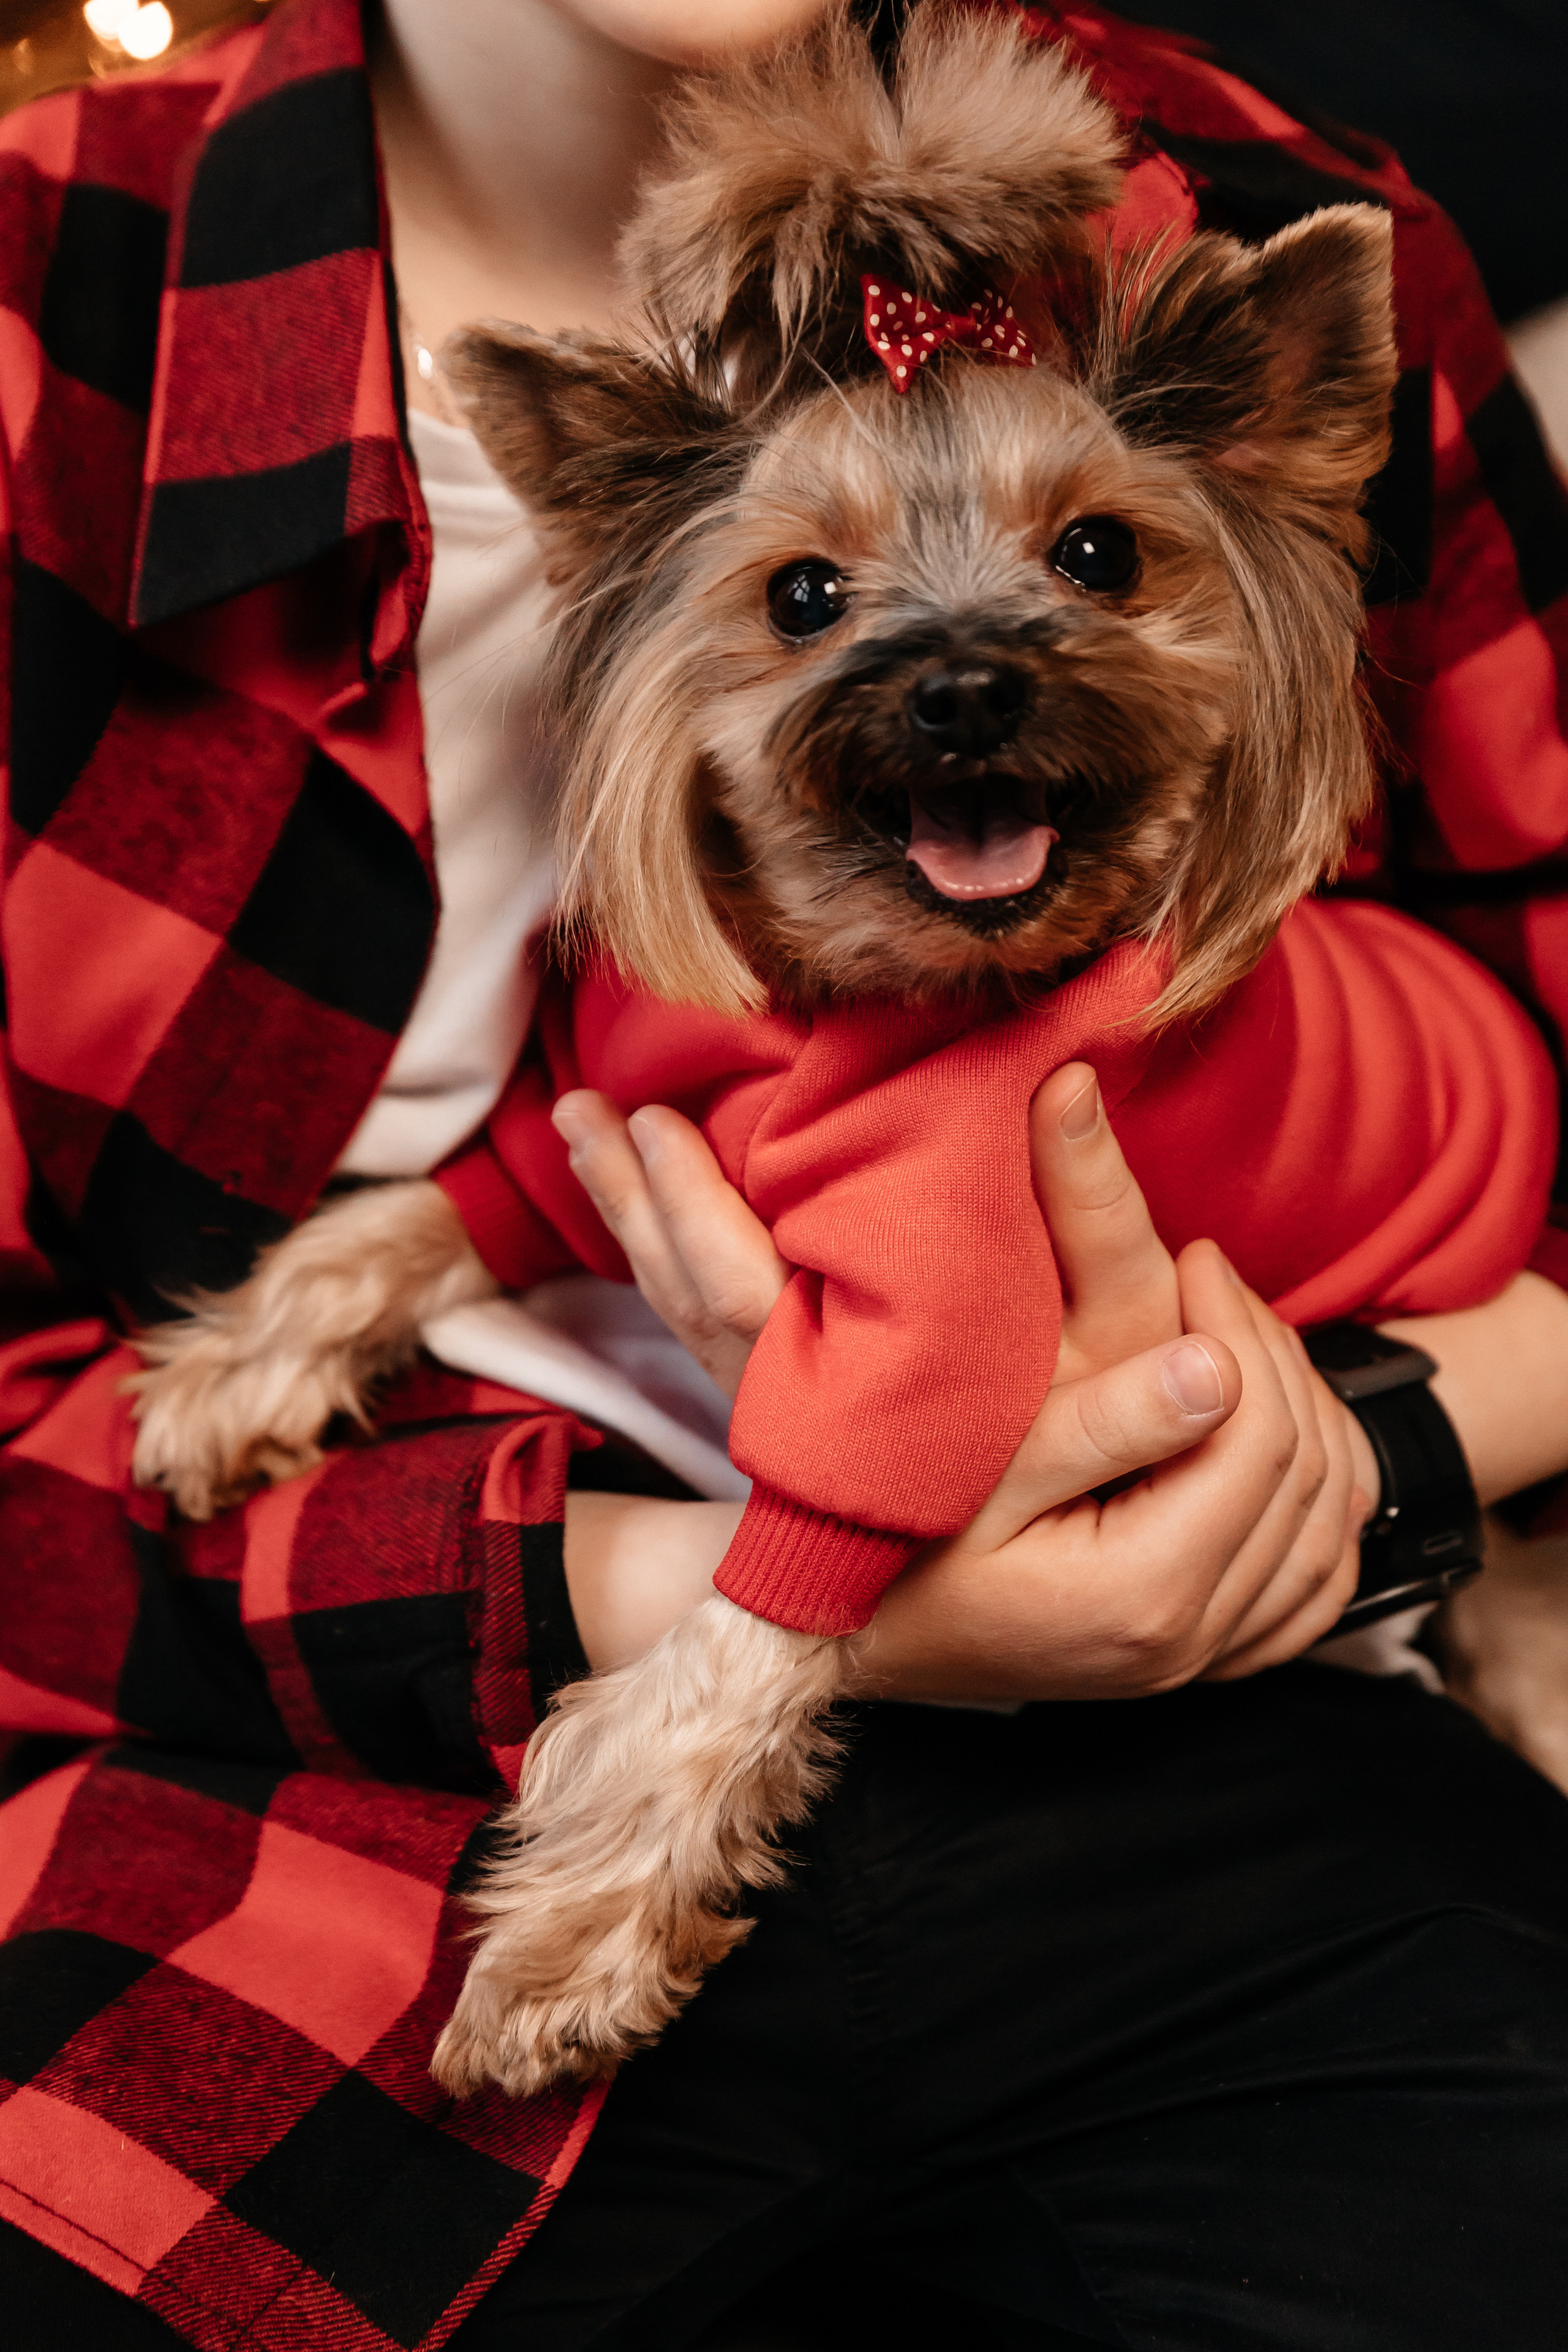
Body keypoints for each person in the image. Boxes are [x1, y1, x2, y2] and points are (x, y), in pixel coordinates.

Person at [2, 1, 1568, 2345]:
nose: (952, 676)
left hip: (1249, 1708)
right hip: (260, 1765)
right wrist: (724, 1579)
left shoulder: (1260, 209)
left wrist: (1397, 1450)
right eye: (811, 598)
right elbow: (626, 1130)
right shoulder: (54, 325)